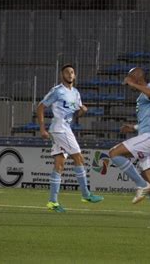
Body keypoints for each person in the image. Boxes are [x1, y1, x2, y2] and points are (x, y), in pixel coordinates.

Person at [108, 67, 150, 229]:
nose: (127, 81)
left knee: (114, 153)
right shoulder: (144, 93)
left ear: (137, 76)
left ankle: (140, 184)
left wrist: (133, 84)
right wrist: (134, 127)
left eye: (129, 76)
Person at [38, 64, 103, 212]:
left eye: (72, 72)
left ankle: (52, 202)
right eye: (66, 72)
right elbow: (41, 107)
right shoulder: (57, 91)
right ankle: (86, 194)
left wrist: (82, 111)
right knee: (79, 158)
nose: (69, 74)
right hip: (60, 129)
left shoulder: (76, 93)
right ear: (62, 76)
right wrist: (42, 128)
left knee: (59, 164)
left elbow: (77, 114)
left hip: (66, 129)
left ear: (75, 75)